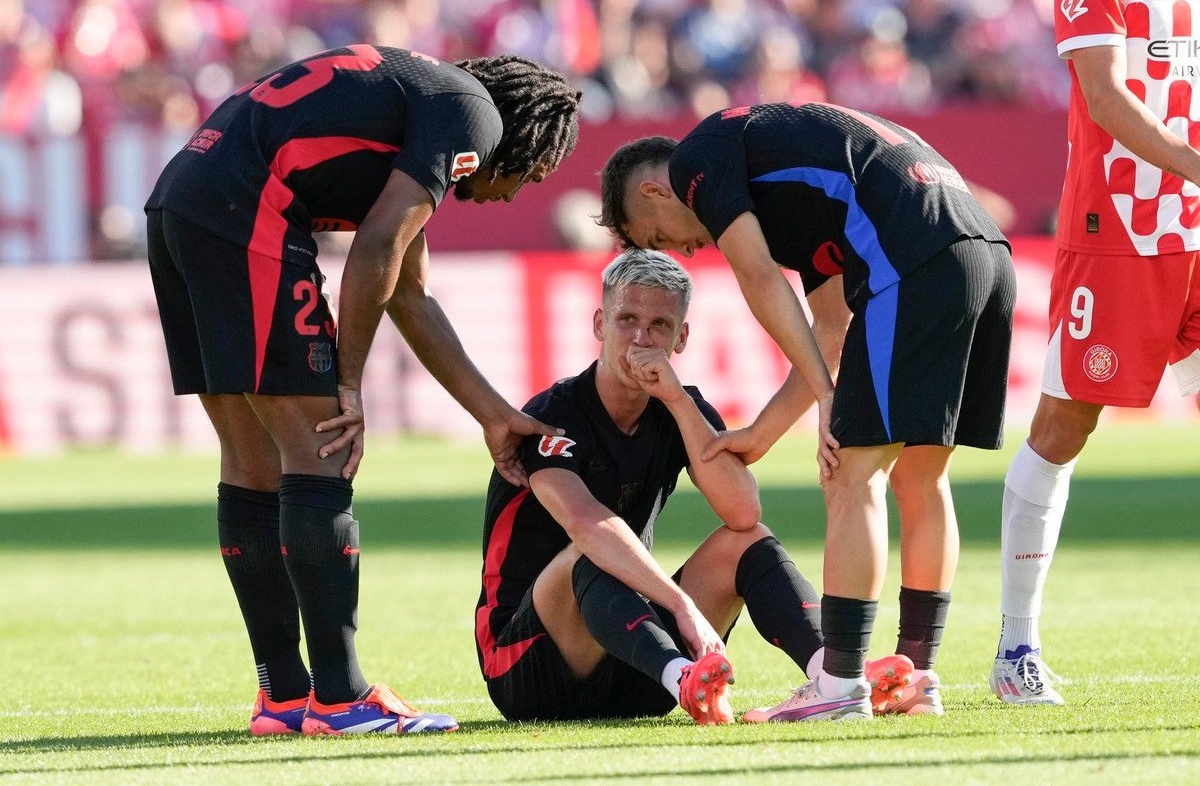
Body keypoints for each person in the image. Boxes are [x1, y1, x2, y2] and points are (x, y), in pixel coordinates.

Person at [145, 46, 582, 735]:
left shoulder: (424, 104)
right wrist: (346, 381)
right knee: (322, 451)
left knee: (253, 462)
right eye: (533, 177)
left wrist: (494, 416)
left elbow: (411, 296)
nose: (517, 191)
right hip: (244, 209)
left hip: (182, 201)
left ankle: (284, 697)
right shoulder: (473, 118)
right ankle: (342, 697)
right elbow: (377, 246)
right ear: (525, 144)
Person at [597, 102, 1015, 720]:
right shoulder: (788, 190)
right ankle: (915, 676)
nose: (682, 250)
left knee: (850, 473)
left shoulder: (697, 161)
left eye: (660, 236)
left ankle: (840, 685)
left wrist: (827, 399)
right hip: (984, 252)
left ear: (658, 191)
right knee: (920, 475)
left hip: (915, 261)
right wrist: (764, 433)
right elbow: (830, 327)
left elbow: (761, 279)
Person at [474, 250, 914, 724]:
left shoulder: (681, 406)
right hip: (528, 665)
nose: (641, 338)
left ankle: (836, 677)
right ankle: (685, 676)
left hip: (632, 658)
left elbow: (743, 512)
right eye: (627, 319)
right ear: (600, 324)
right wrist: (680, 604)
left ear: (681, 338)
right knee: (591, 550)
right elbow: (587, 525)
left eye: (660, 325)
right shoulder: (552, 416)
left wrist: (678, 401)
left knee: (748, 542)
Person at [989, 0, 1200, 706]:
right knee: (1064, 426)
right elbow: (1105, 98)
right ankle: (1017, 649)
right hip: (1120, 227)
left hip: (1196, 225)